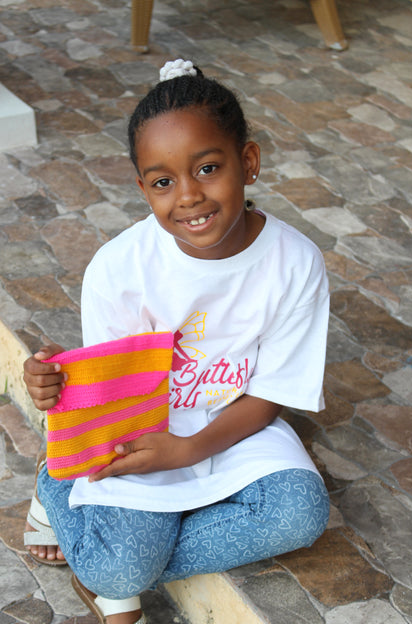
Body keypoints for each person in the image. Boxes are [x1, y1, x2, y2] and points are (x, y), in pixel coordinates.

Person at [23, 58, 330, 624]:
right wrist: (52, 382)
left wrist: (190, 449)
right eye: (163, 182)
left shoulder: (295, 263)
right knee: (123, 564)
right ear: (143, 188)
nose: (188, 196)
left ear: (249, 162)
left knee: (300, 514)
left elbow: (270, 391)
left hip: (236, 426)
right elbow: (112, 390)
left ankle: (106, 556)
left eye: (208, 168)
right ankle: (57, 484)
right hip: (141, 430)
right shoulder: (118, 267)